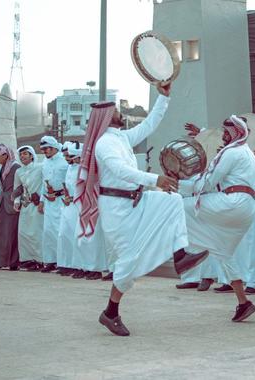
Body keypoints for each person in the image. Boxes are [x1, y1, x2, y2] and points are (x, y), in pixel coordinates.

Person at [78, 83, 204, 337]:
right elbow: (119, 171)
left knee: (172, 200)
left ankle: (180, 255)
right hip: (117, 208)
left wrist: (164, 96)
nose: (120, 113)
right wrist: (154, 179)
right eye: (116, 111)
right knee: (129, 259)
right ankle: (111, 312)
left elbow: (149, 125)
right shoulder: (104, 144)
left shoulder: (121, 138)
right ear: (104, 117)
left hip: (137, 201)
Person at [178, 115, 255, 321]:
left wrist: (176, 183)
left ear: (234, 132)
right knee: (223, 252)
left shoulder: (231, 152)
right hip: (247, 208)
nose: (222, 135)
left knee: (179, 205)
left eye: (225, 132)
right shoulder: (246, 152)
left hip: (232, 202)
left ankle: (187, 252)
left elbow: (209, 182)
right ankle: (244, 303)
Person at [12, 145, 44, 271]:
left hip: (37, 204)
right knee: (23, 232)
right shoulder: (19, 171)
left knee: (36, 232)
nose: (22, 156)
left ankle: (40, 260)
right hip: (26, 204)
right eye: (21, 154)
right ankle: (27, 259)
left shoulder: (40, 167)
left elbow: (46, 183)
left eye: (25, 154)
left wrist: (42, 198)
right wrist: (16, 201)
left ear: (32, 155)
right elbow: (17, 188)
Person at [39, 136, 68, 273]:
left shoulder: (64, 161)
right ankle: (50, 261)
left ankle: (63, 262)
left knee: (60, 232)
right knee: (48, 231)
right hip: (49, 200)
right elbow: (43, 183)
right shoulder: (44, 162)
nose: (45, 151)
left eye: (47, 148)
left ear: (55, 148)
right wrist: (41, 201)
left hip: (62, 200)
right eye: (43, 149)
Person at [0, 144, 21, 269]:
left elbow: (20, 185)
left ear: (6, 155)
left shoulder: (16, 167)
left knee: (11, 233)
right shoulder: (3, 168)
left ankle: (13, 263)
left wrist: (16, 199)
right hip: (2, 203)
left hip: (12, 204)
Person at [56, 142, 81, 277]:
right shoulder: (70, 168)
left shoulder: (82, 169)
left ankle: (78, 266)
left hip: (78, 206)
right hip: (68, 205)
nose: (68, 158)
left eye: (70, 156)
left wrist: (73, 198)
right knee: (64, 234)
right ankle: (66, 264)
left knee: (76, 236)